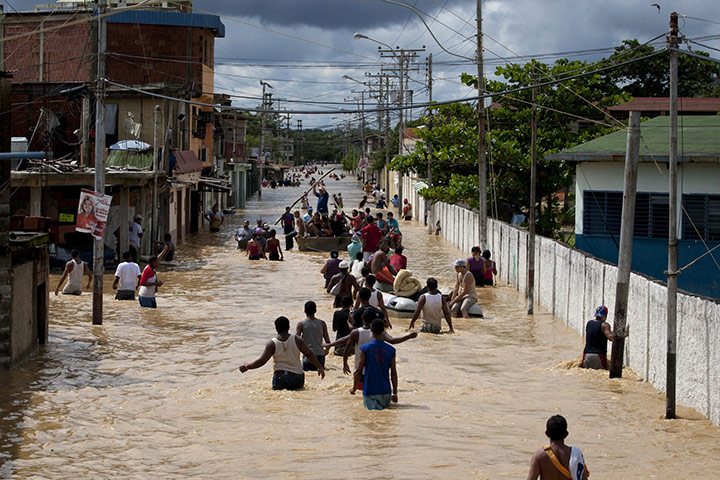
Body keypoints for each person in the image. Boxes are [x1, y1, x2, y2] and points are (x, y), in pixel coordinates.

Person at [238, 316, 325, 390]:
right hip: (297, 377)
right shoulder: (298, 340)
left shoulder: (271, 344)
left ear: (276, 328)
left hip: (280, 378)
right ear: (288, 327)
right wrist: (319, 367)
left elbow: (262, 361)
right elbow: (309, 354)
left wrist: (247, 367)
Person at [350, 318, 398, 410]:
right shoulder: (391, 350)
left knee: (371, 420)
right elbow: (393, 373)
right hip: (386, 392)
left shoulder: (365, 349)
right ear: (384, 330)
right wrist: (395, 393)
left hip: (370, 391)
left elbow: (359, 371)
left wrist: (354, 388)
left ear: (371, 330)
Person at [527, 415, 589, 480]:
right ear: (566, 434)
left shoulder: (539, 455)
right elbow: (583, 478)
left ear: (546, 434)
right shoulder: (575, 454)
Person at [582, 305, 628, 370]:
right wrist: (624, 334)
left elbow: (599, 332)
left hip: (586, 355)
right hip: (598, 356)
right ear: (605, 315)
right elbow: (611, 337)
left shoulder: (589, 323)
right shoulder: (605, 325)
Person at [296, 301, 330, 371]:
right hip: (320, 355)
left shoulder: (301, 324)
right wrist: (326, 350)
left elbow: (296, 341)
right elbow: (328, 341)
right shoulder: (322, 323)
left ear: (305, 311)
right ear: (315, 311)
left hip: (308, 355)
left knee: (308, 377)